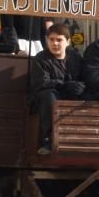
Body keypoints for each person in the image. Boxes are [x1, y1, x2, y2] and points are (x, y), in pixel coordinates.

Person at [29, 24, 86, 154]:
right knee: (49, 96)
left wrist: (80, 86)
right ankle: (48, 141)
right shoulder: (40, 58)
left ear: (68, 41)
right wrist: (64, 85)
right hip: (43, 100)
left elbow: (85, 77)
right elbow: (41, 82)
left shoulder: (76, 58)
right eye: (51, 39)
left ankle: (87, 139)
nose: (55, 43)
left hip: (70, 95)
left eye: (59, 40)